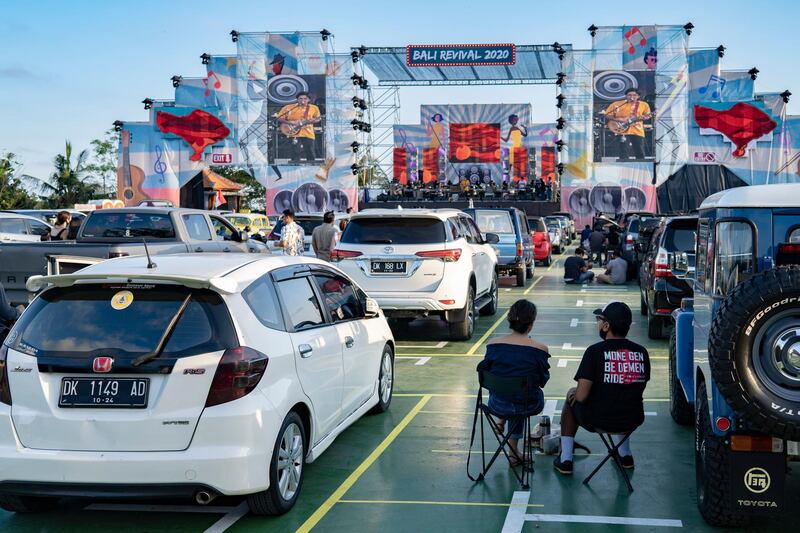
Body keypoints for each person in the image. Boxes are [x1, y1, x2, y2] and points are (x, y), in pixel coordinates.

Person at [554, 301, 650, 475]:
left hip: (600, 420)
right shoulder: (641, 352)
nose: (597, 322)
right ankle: (625, 454)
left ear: (606, 326)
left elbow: (581, 397)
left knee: (572, 396)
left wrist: (575, 392)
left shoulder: (594, 352)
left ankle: (566, 458)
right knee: (625, 395)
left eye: (600, 319)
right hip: (632, 418)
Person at [478, 300, 550, 465]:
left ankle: (502, 423)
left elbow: (487, 376)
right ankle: (513, 452)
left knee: (509, 388)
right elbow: (542, 380)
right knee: (523, 393)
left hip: (497, 404)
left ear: (509, 320)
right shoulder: (540, 349)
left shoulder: (493, 345)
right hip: (528, 403)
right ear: (531, 324)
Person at [603, 88, 652, 160]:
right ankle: (624, 168)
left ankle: (641, 168)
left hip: (637, 131)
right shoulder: (617, 104)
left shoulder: (644, 105)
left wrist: (645, 118)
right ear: (626, 96)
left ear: (638, 96)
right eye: (629, 95)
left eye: (634, 95)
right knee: (624, 151)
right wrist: (619, 119)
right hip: (622, 130)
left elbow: (648, 115)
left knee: (640, 151)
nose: (631, 97)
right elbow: (607, 115)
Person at [276, 91, 322, 164]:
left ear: (308, 100)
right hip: (293, 132)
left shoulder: (314, 108)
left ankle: (311, 168)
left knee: (310, 152)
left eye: (305, 98)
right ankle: (295, 168)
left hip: (308, 133)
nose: (302, 100)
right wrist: (291, 122)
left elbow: (318, 119)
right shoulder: (289, 107)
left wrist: (309, 122)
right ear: (297, 99)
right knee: (295, 152)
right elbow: (279, 118)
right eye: (300, 98)